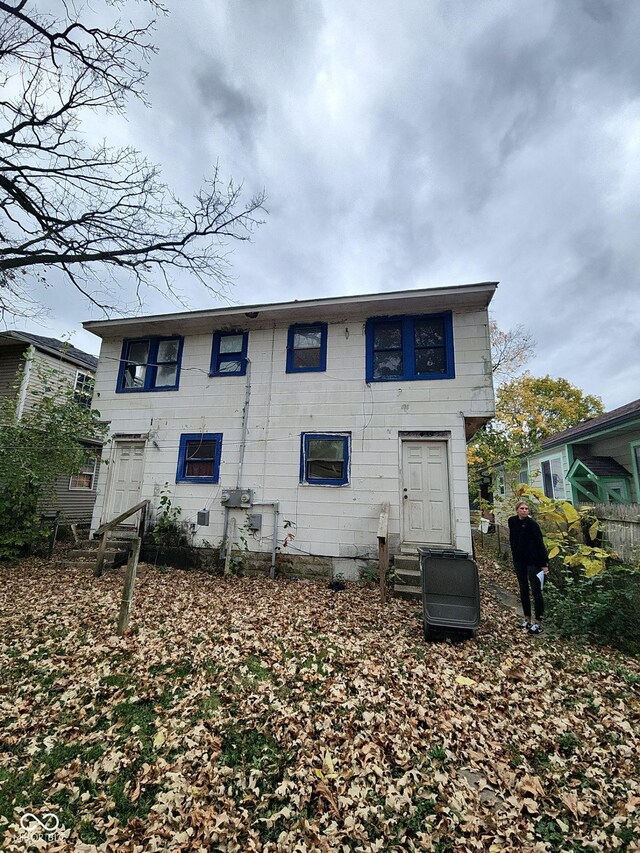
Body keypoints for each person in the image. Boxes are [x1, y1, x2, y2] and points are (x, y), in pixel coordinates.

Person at [508, 500, 549, 635]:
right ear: (517, 510)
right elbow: (513, 539)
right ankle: (527, 619)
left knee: (536, 591)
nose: (524, 510)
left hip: (534, 561)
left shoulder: (533, 525)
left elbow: (540, 544)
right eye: (522, 508)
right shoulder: (512, 521)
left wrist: (544, 564)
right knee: (523, 588)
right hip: (519, 560)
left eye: (526, 508)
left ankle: (538, 622)